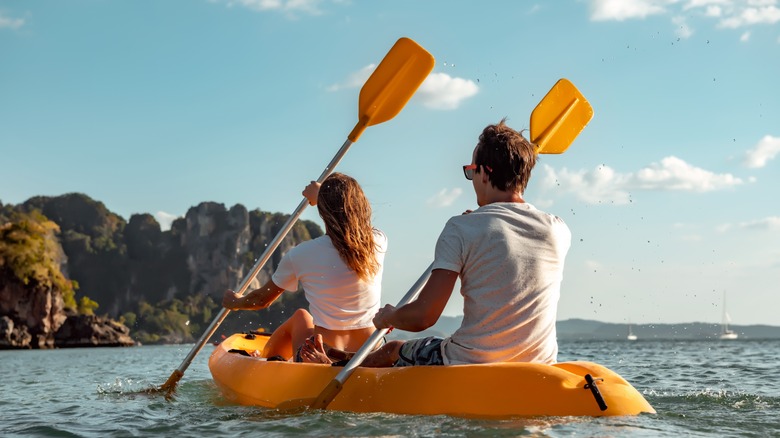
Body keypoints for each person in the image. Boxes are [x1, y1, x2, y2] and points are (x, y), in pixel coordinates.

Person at [354, 118, 571, 367]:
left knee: (394, 349)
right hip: (538, 364)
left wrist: (389, 317)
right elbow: (508, 245)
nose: (472, 179)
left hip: (468, 361)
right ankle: (338, 358)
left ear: (485, 173)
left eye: (471, 171)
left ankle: (333, 366)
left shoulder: (460, 228)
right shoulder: (558, 229)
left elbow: (423, 316)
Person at [222, 172, 387, 363]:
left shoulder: (300, 254)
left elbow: (261, 300)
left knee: (301, 316)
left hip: (322, 354)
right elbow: (349, 221)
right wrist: (323, 197)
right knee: (304, 317)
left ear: (324, 209)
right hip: (371, 352)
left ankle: (266, 364)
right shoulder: (378, 242)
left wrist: (236, 302)